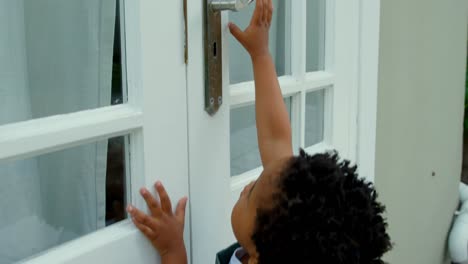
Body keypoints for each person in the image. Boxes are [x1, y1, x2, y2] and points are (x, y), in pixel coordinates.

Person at [126, 0, 392, 263]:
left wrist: (172, 251)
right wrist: (260, 54)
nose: (245, 188)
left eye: (251, 195)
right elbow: (276, 138)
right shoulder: (281, 237)